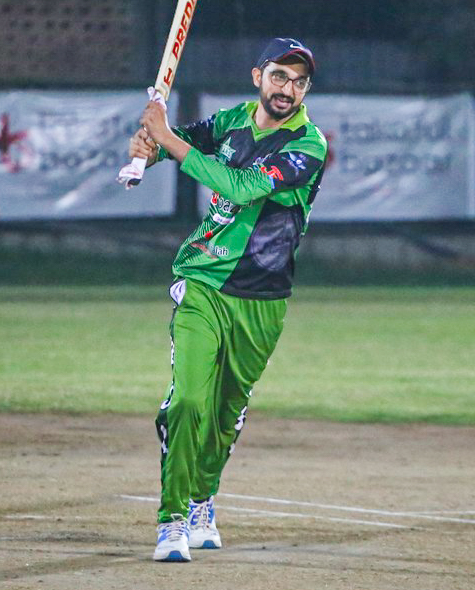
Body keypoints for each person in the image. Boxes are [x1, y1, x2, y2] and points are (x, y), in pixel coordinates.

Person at [128, 37, 327, 563]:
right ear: (258, 76)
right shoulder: (232, 120)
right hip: (203, 283)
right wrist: (149, 150)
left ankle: (201, 499)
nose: (288, 89)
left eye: (299, 82)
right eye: (280, 76)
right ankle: (172, 519)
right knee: (188, 402)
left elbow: (240, 187)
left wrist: (166, 141)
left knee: (224, 414)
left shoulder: (308, 144)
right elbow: (183, 142)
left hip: (263, 298)